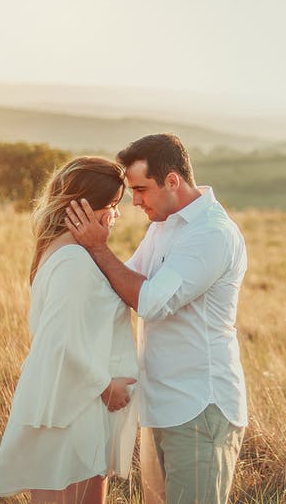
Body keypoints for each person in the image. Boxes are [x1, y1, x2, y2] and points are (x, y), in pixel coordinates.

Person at [65, 133, 248, 504]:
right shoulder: (163, 226)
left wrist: (98, 245)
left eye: (141, 189)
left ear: (172, 181)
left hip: (200, 409)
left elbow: (149, 301)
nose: (135, 201)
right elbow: (118, 283)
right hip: (160, 407)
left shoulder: (211, 234)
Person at [0, 156, 139, 503]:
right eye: (112, 206)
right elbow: (57, 341)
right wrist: (105, 386)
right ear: (85, 208)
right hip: (74, 411)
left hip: (72, 404)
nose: (115, 216)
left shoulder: (65, 251)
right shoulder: (73, 261)